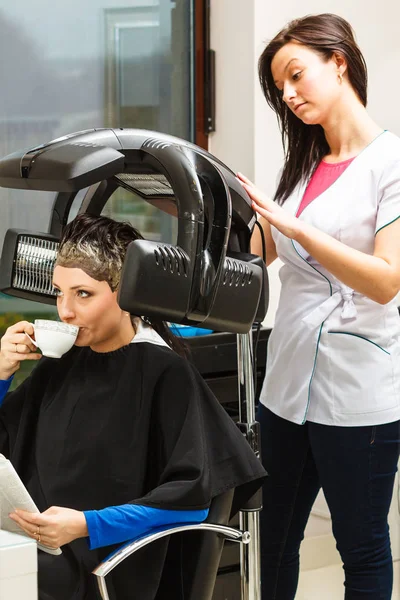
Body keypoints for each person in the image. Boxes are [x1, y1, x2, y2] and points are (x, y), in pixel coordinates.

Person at [0, 213, 266, 600]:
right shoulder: (61, 363)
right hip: (41, 552)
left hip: (111, 565)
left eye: (83, 294)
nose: (65, 312)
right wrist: (2, 373)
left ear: (128, 292)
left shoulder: (164, 373)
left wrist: (87, 525)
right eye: (59, 292)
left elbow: (191, 502)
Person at [237, 13, 400, 600]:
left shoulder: (391, 163)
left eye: (296, 75)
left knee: (360, 547)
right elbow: (260, 250)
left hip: (357, 396)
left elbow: (386, 281)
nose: (288, 93)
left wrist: (295, 229)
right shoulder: (302, 163)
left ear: (340, 61)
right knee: (274, 537)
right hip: (285, 386)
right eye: (280, 86)